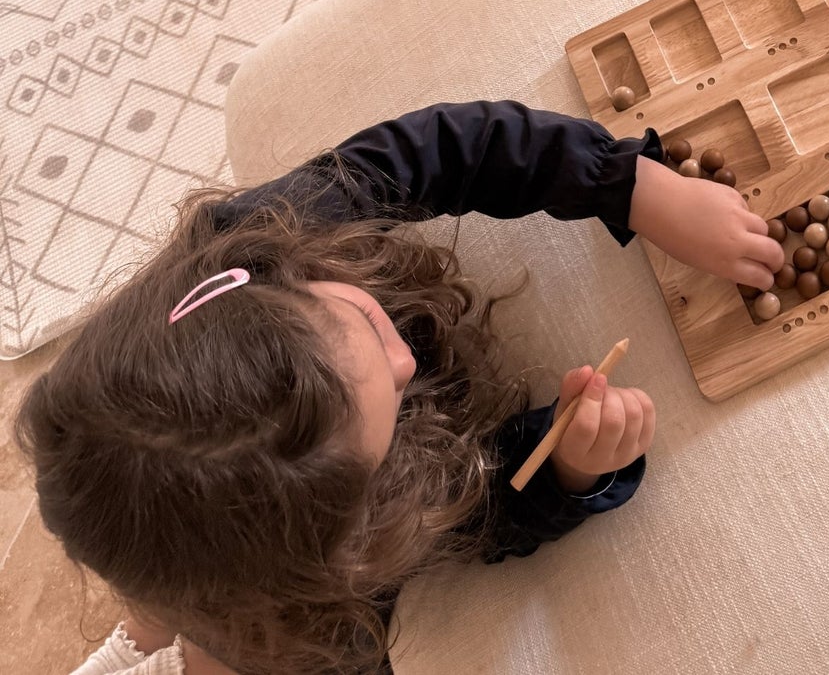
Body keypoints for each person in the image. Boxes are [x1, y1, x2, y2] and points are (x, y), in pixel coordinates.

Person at [17, 100, 784, 675]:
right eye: (381, 408)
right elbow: (478, 511)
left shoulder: (244, 249)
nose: (404, 361)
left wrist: (627, 185)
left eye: (354, 316)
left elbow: (447, 149)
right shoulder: (328, 617)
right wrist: (566, 469)